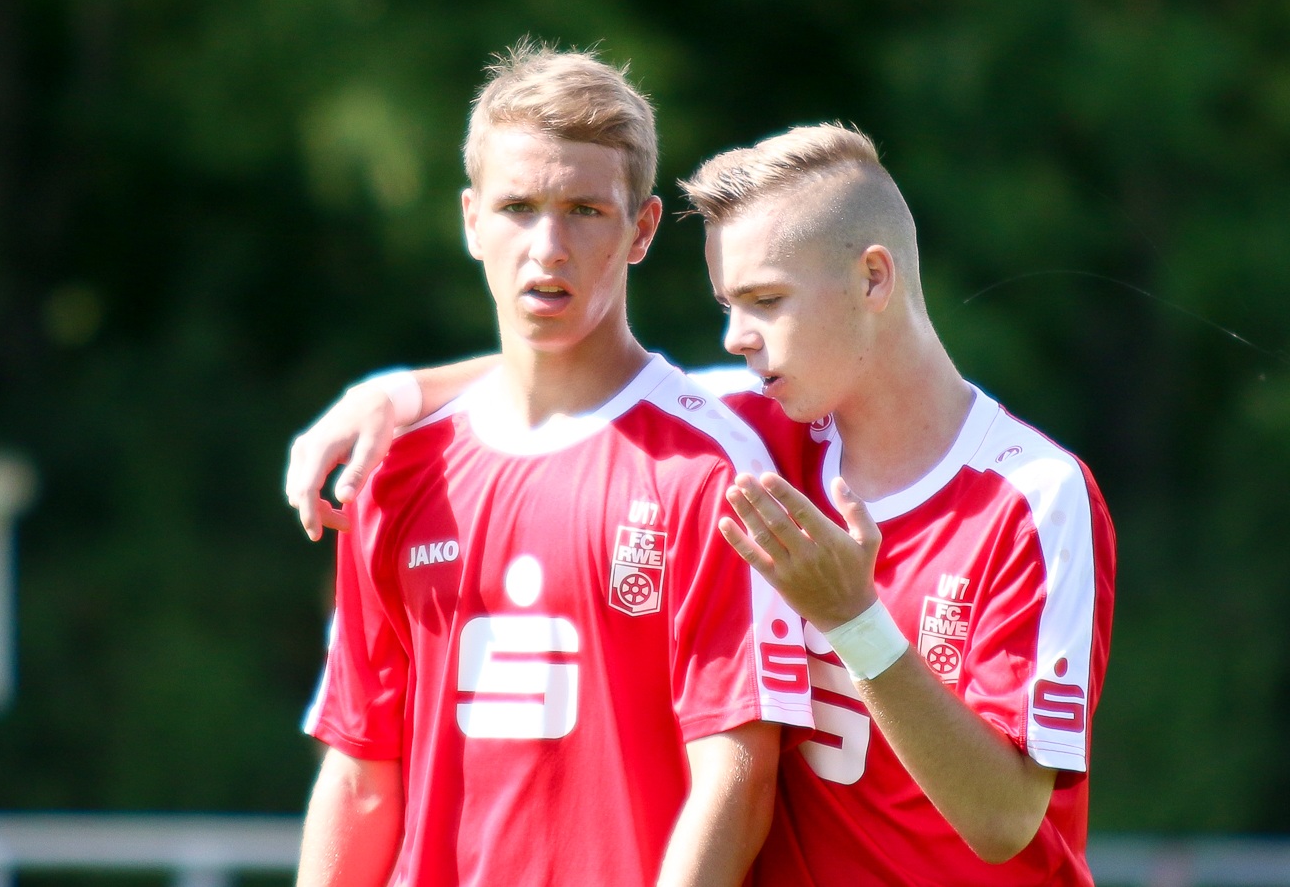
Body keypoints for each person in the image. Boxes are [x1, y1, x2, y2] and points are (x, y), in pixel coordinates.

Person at [287, 124, 1116, 885]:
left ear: (873, 278)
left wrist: (856, 619)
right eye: (727, 306)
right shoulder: (759, 429)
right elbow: (587, 381)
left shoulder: (1034, 496)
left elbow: (1005, 818)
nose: (735, 337)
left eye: (764, 301)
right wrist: (395, 393)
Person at [294, 43, 812, 887]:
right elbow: (360, 776)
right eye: (518, 207)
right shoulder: (396, 472)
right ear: (470, 220)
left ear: (642, 229)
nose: (549, 245)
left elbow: (738, 776)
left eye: (584, 209)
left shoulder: (711, 469)